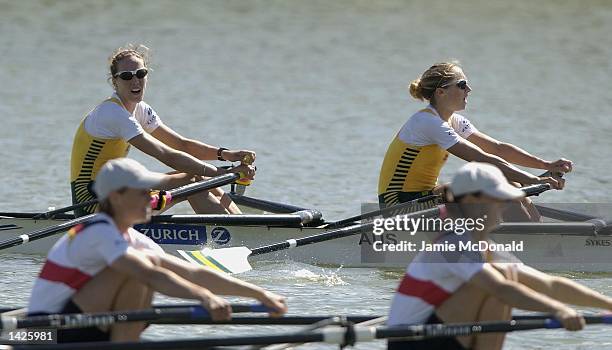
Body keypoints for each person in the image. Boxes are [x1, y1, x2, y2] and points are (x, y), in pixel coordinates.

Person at [29, 158, 287, 342]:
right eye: (142, 192)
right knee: (139, 270)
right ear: (117, 197)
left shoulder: (131, 237)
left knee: (147, 263)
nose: (150, 197)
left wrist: (260, 294)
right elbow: (152, 275)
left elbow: (193, 273)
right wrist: (204, 298)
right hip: (42, 333)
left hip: (82, 326)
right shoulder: (99, 230)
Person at [387, 162, 612, 350]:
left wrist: (608, 304)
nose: (506, 205)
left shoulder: (483, 245)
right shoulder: (453, 243)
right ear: (473, 201)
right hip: (409, 342)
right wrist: (558, 310)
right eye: (500, 198)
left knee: (507, 276)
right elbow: (501, 290)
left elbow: (549, 284)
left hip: (439, 335)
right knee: (499, 285)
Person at [70, 44, 255, 217]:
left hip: (121, 193)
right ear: (115, 82)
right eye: (127, 76)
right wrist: (221, 174)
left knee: (196, 175)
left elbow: (181, 145)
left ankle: (243, 225)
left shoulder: (140, 109)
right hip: (93, 206)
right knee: (192, 181)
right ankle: (234, 234)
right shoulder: (112, 113)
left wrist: (226, 155)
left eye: (141, 73)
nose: (135, 80)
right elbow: (166, 155)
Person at [377, 61, 572, 220]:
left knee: (512, 183)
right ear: (440, 92)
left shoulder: (454, 121)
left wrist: (545, 165)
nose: (468, 89)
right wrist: (533, 179)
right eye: (462, 85)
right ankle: (533, 243)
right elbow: (481, 158)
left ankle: (534, 233)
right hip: (398, 206)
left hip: (425, 198)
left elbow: (498, 149)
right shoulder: (427, 122)